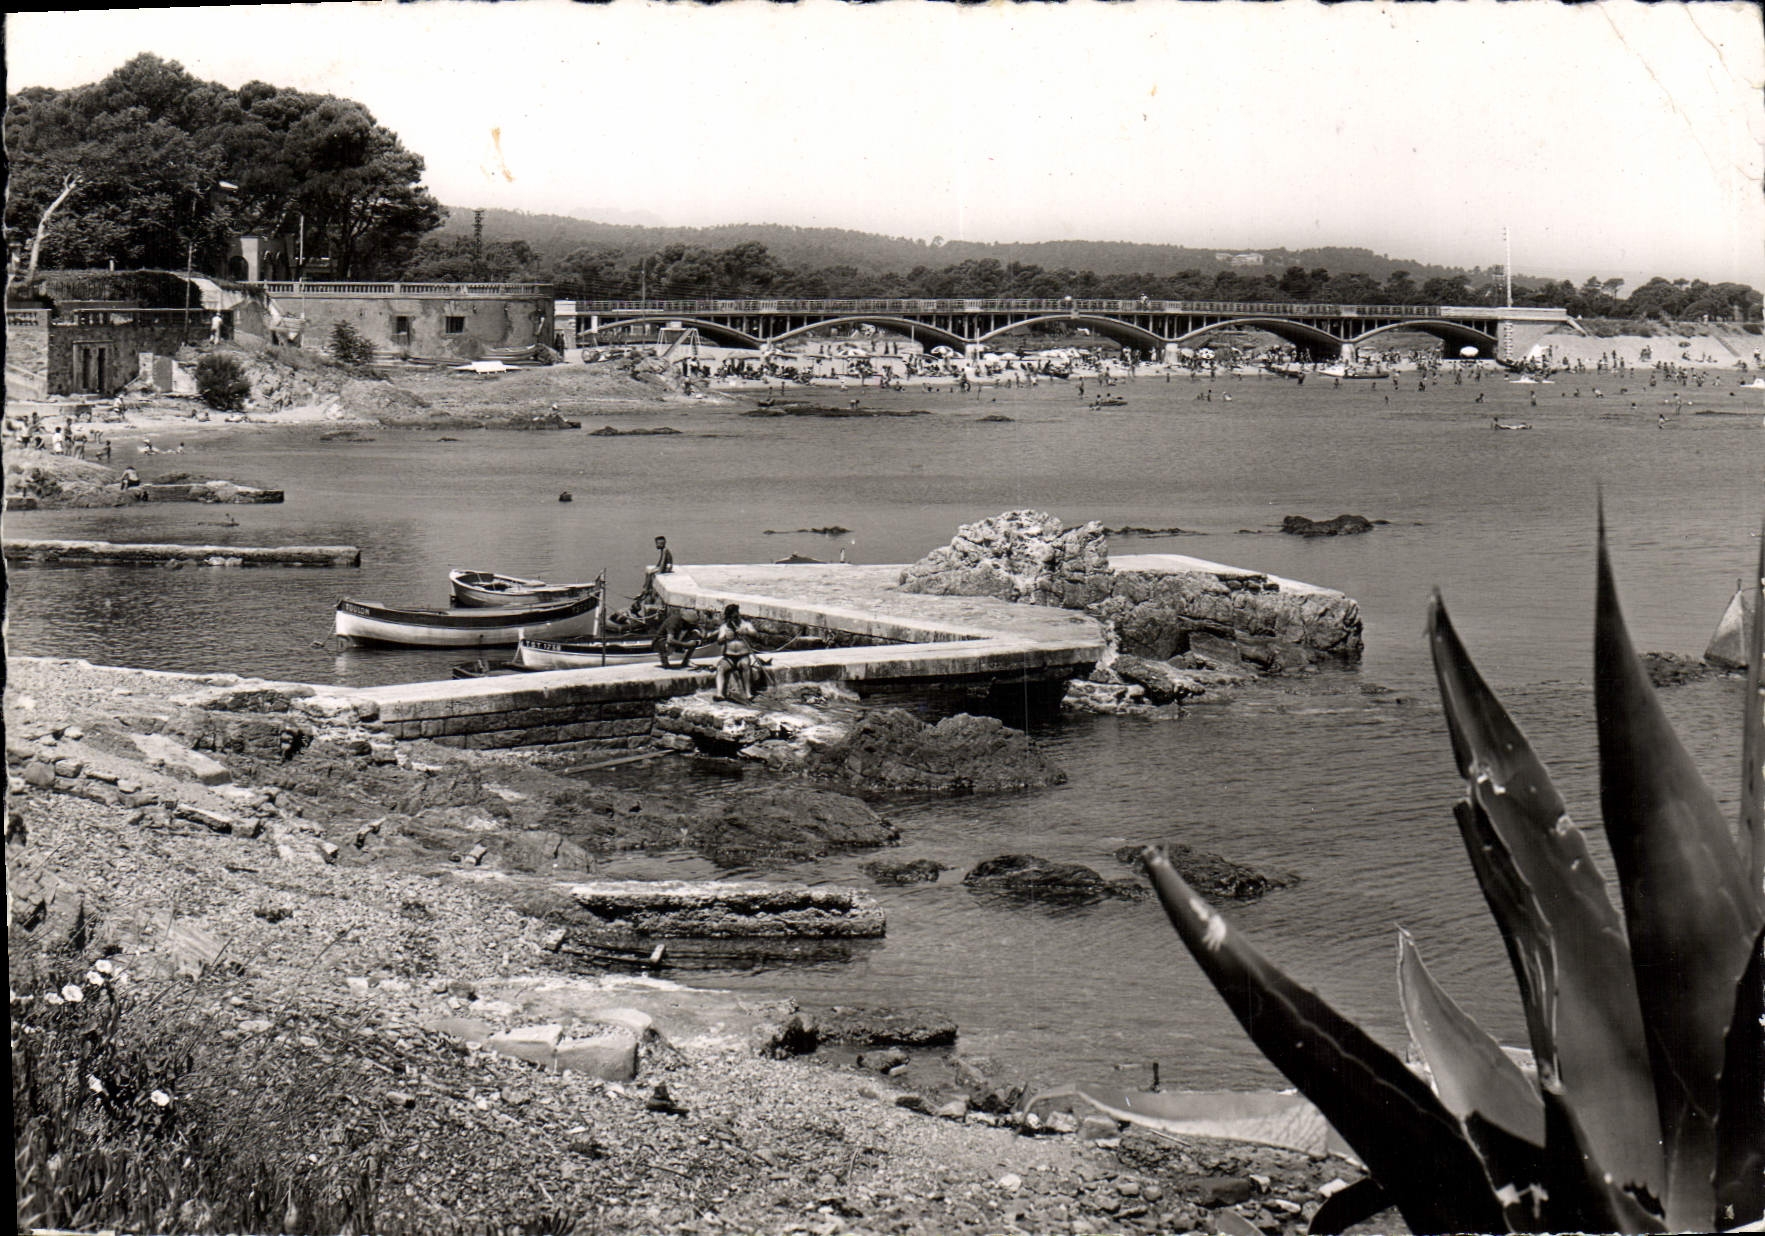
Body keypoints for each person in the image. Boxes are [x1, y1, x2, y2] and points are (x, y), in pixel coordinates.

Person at [712, 603, 763, 702]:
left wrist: (746, 632)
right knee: (720, 668)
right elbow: (719, 641)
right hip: (729, 657)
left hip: (742, 656)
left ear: (738, 614)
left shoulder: (746, 625)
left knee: (745, 666)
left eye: (735, 617)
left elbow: (756, 635)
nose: (733, 620)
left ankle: (748, 693)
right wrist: (725, 637)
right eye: (730, 618)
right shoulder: (724, 627)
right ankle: (719, 693)